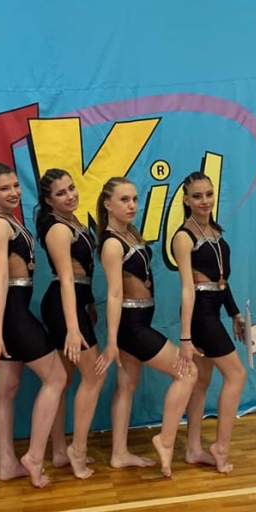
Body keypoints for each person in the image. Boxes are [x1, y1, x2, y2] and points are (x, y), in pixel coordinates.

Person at [95, 176, 196, 477]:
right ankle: (165, 440)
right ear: (107, 204)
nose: (132, 205)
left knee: (126, 386)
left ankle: (119, 453)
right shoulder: (112, 243)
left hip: (140, 319)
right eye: (124, 200)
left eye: (135, 199)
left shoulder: (129, 234)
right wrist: (112, 342)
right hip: (132, 325)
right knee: (187, 373)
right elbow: (114, 294)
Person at [0, 162, 66, 488]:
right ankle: (34, 456)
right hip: (11, 313)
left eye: (15, 186)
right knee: (56, 377)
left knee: (6, 390)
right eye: (5, 188)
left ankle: (7, 464)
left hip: (12, 311)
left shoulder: (7, 219)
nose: (14, 192)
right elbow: (0, 280)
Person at [171, 171, 247, 474]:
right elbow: (187, 288)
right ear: (186, 200)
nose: (204, 201)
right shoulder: (183, 237)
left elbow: (222, 281)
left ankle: (193, 449)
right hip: (200, 315)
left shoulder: (214, 232)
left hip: (213, 311)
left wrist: (235, 313)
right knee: (236, 375)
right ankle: (220, 446)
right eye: (197, 196)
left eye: (209, 194)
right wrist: (185, 338)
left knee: (201, 382)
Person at [35, 169, 105, 479]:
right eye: (61, 193)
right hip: (63, 306)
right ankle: (77, 449)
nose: (70, 195)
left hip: (75, 303)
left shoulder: (74, 222)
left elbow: (83, 272)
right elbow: (66, 279)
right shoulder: (58, 229)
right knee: (94, 376)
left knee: (63, 380)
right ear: (49, 201)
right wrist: (73, 328)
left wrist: (88, 303)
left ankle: (60, 451)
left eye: (71, 188)